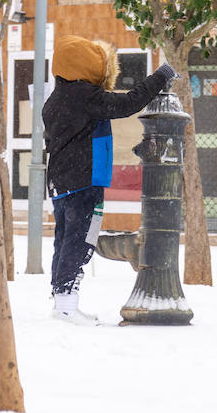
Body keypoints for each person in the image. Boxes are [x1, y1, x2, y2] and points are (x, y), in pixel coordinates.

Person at [43, 36, 174, 324]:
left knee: (64, 239)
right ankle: (66, 306)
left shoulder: (55, 99)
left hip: (60, 182)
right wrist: (159, 77)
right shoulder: (84, 97)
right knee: (81, 240)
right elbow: (128, 103)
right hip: (84, 180)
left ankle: (63, 300)